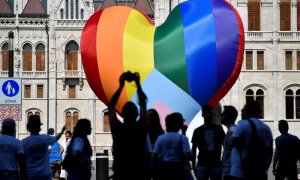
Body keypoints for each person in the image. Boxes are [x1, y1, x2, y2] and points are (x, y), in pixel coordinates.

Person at [108, 71, 149, 180]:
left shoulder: (117, 129)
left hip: (121, 172)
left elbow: (111, 106)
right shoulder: (141, 127)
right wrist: (138, 84)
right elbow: (143, 105)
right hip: (139, 171)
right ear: (136, 114)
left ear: (123, 114)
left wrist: (121, 86)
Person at [230, 100, 273, 180]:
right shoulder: (266, 128)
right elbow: (270, 152)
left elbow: (231, 142)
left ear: (247, 110)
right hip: (261, 173)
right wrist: (266, 168)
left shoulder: (243, 124)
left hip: (240, 173)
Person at [21, 115, 66, 180]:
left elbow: (22, 160)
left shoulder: (24, 142)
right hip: (44, 174)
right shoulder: (45, 138)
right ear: (39, 127)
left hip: (31, 174)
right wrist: (62, 132)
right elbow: (56, 138)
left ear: (28, 127)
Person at [153, 112, 192, 180]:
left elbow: (154, 155)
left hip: (164, 167)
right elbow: (187, 155)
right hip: (179, 168)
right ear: (179, 124)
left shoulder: (161, 138)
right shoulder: (183, 138)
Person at [191, 104, 225, 180]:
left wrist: (223, 161)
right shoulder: (197, 131)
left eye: (210, 113)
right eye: (206, 113)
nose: (208, 115)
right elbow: (193, 149)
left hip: (215, 164)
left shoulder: (218, 129)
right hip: (203, 164)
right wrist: (193, 166)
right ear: (203, 115)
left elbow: (225, 146)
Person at [221, 106, 238, 180]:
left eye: (223, 114)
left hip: (231, 172)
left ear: (227, 117)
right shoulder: (232, 129)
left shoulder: (232, 131)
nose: (221, 115)